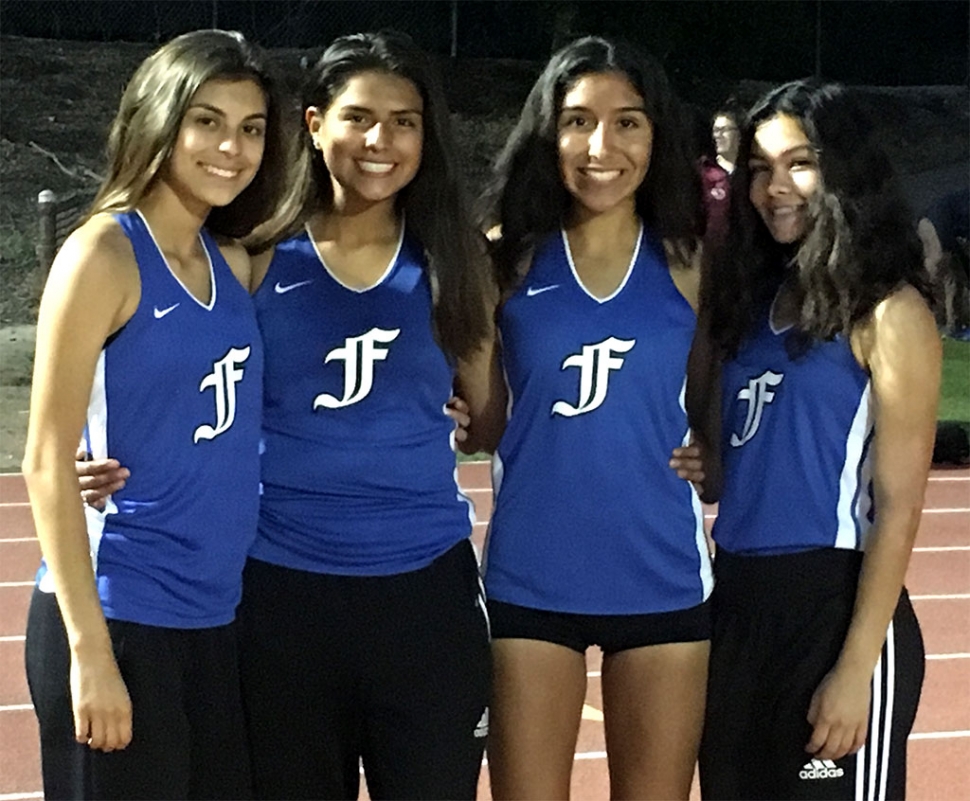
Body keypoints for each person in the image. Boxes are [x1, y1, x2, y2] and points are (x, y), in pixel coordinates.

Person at [22, 29, 291, 800]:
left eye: (250, 128)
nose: (230, 148)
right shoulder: (102, 256)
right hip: (120, 616)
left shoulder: (232, 261)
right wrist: (91, 654)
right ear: (157, 120)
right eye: (205, 121)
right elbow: (45, 457)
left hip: (213, 621)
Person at [675, 80, 936, 800]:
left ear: (844, 170)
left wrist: (856, 668)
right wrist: (708, 463)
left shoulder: (887, 309)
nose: (775, 187)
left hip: (834, 607)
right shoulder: (752, 305)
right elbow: (731, 474)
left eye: (800, 163)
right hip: (735, 604)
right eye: (759, 168)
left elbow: (900, 504)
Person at [477, 35, 712, 800]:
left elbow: (721, 407)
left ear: (658, 135)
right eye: (578, 121)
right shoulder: (503, 260)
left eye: (628, 123)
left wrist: (717, 457)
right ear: (548, 133)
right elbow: (478, 417)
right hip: (530, 572)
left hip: (663, 575)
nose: (600, 146)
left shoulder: (691, 262)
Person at [712, 107, 740, 175]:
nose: (717, 135)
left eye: (723, 129)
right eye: (715, 130)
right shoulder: (706, 172)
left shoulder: (750, 169)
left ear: (738, 134)